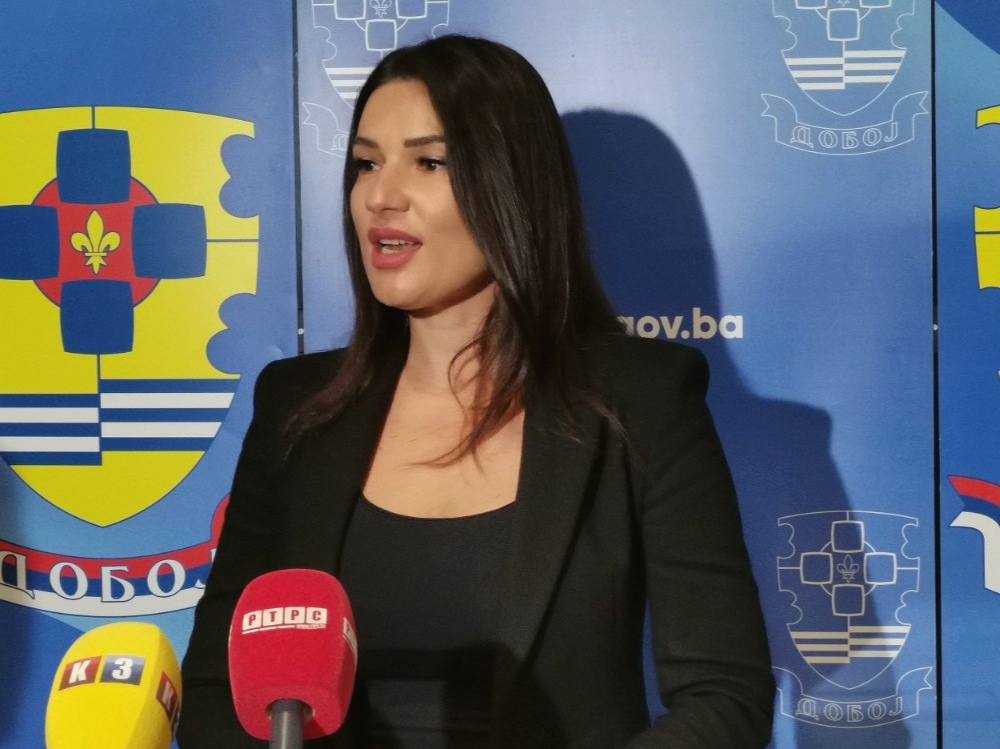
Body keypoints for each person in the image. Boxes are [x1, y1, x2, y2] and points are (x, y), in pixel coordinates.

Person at [178, 35, 774, 748]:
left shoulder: (642, 400)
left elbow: (724, 697)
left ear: (511, 188)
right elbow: (215, 692)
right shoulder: (295, 407)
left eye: (429, 162)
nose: (380, 196)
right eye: (366, 163)